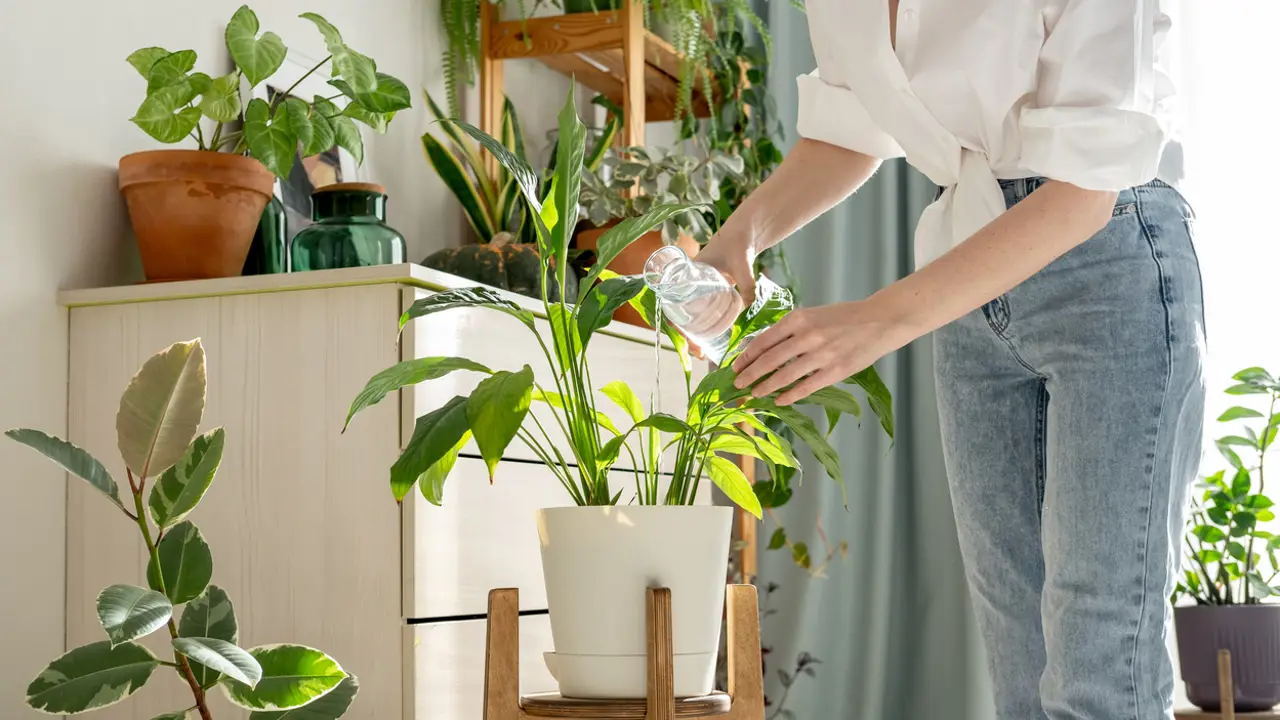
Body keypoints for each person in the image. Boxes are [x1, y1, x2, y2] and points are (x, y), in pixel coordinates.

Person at [696, 1, 1204, 718]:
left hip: (1109, 264)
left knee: (1099, 670)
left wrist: (877, 320)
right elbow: (849, 131)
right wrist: (738, 242)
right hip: (969, 267)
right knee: (1019, 671)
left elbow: (1086, 188)